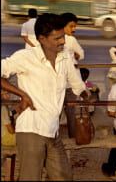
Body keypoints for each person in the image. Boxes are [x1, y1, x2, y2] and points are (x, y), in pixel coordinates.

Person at [1, 13, 97, 181]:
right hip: (32, 129)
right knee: (30, 177)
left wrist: (87, 96)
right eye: (57, 38)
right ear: (42, 39)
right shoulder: (25, 57)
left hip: (53, 130)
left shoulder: (65, 55)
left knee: (64, 176)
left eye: (63, 37)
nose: (62, 41)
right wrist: (21, 94)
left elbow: (76, 83)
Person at [60, 12, 85, 137]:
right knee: (69, 111)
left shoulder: (71, 39)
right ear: (63, 26)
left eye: (75, 26)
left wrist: (76, 55)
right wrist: (76, 56)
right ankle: (71, 136)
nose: (73, 29)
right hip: (66, 83)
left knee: (60, 112)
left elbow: (81, 53)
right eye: (71, 26)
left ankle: (56, 137)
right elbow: (81, 54)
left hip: (65, 83)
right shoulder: (69, 39)